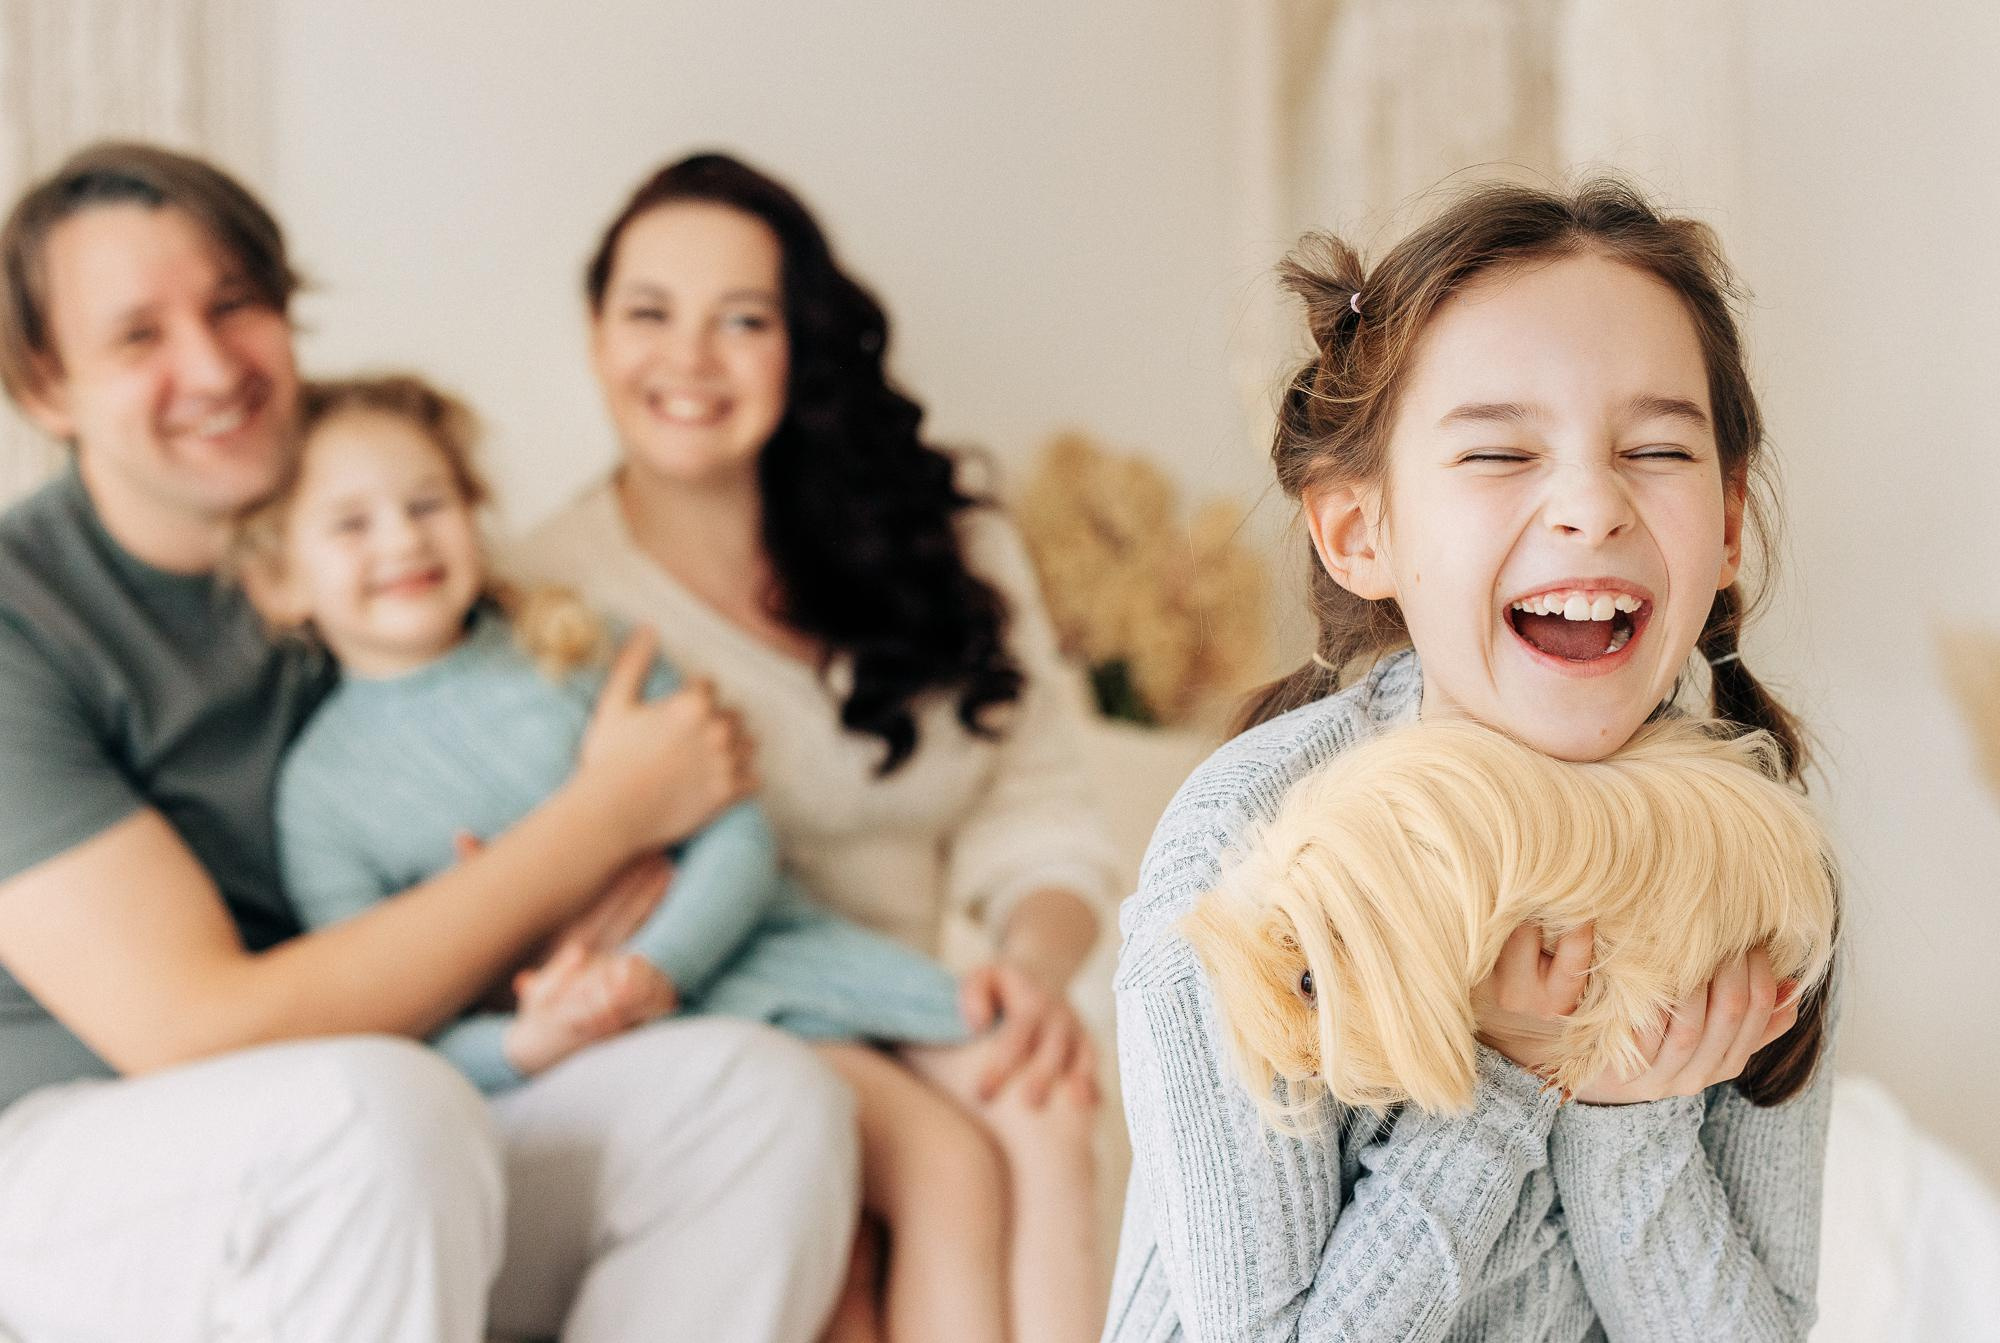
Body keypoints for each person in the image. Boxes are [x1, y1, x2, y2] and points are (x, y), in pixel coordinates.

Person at [0, 141, 857, 1343]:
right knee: (381, 1115)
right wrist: (606, 816)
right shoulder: (21, 620)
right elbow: (195, 1029)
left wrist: (575, 934)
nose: (211, 364)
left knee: (755, 1098)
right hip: (81, 1163)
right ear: (45, 387)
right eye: (139, 335)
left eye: (235, 304)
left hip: (381, 1111)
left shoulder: (363, 541)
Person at [1104, 179, 1836, 1341]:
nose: (1590, 504)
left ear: (1728, 520)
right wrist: (1508, 1078)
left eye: (1654, 448)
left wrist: (1618, 1109)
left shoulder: (1753, 857)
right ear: (1359, 530)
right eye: (1498, 451)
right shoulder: (1250, 855)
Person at [244, 371, 1016, 1339]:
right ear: (278, 579)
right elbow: (384, 1027)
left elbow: (736, 829)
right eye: (352, 523)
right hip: (577, 1071)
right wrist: (530, 1040)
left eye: (427, 502)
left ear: (473, 512)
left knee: (965, 1149)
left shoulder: (576, 646)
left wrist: (655, 967)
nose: (401, 538)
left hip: (744, 962)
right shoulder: (321, 793)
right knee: (860, 1245)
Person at [511, 151, 1120, 1343]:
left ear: (800, 342)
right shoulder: (546, 598)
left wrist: (1031, 972)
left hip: (911, 991)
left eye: (742, 319)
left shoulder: (947, 543)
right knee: (883, 1205)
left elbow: (1041, 813)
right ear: (594, 336)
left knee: (1044, 1098)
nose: (689, 359)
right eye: (649, 314)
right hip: (722, 1003)